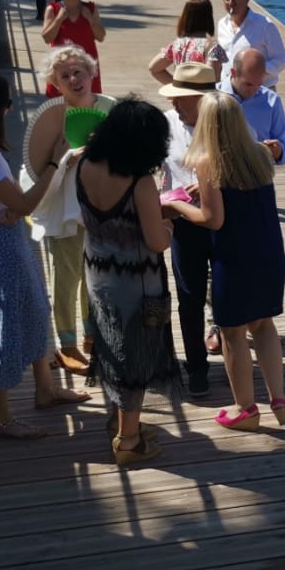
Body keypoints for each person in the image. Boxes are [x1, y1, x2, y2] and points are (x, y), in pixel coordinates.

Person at [0, 70, 90, 440]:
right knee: (4, 327)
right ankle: (1, 419)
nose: (9, 108)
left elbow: (10, 201)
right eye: (6, 103)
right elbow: (23, 202)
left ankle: (45, 389)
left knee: (36, 308)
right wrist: (56, 163)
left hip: (1, 232)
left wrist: (9, 207)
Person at [167, 92, 285, 431]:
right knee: (264, 325)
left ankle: (245, 408)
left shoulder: (209, 161)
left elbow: (213, 219)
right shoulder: (260, 154)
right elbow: (242, 192)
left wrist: (176, 205)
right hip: (268, 251)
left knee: (233, 333)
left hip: (235, 256)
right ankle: (279, 401)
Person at [76, 97, 179, 464]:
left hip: (97, 272)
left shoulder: (85, 165)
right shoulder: (140, 183)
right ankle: (129, 440)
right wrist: (168, 226)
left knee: (110, 346)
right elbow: (155, 242)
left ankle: (117, 419)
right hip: (136, 285)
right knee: (133, 358)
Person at [24, 45, 116, 373]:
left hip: (103, 205)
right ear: (56, 83)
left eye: (79, 71)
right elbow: (34, 167)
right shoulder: (51, 117)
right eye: (65, 75)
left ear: (91, 73)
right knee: (67, 274)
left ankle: (93, 334)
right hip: (65, 206)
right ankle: (67, 344)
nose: (74, 79)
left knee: (98, 272)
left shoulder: (110, 108)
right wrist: (67, 158)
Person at [156, 60, 218, 397]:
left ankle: (225, 338)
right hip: (183, 223)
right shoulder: (166, 124)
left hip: (223, 222)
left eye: (180, 96)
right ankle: (196, 367)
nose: (173, 102)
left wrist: (213, 185)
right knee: (189, 298)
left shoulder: (230, 125)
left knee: (225, 293)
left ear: (202, 98)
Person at [41, 0, 105, 96]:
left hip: (86, 67)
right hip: (62, 66)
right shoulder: (53, 9)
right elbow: (47, 38)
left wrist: (90, 19)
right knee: (59, 106)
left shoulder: (90, 9)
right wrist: (59, 19)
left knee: (88, 104)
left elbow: (101, 36)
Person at [217, 0, 285, 90]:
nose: (231, 2)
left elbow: (282, 60)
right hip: (228, 91)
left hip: (259, 91)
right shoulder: (222, 24)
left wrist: (255, 69)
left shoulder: (265, 25)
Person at [224, 48, 285, 165]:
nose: (254, 90)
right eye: (248, 84)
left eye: (259, 84)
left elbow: (284, 150)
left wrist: (278, 151)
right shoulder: (213, 97)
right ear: (234, 73)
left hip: (259, 178)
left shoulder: (272, 101)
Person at [150, 0, 227, 85]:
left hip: (181, 97)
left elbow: (154, 68)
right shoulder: (212, 47)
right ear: (208, 18)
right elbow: (211, 79)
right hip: (201, 97)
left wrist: (177, 86)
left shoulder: (178, 44)